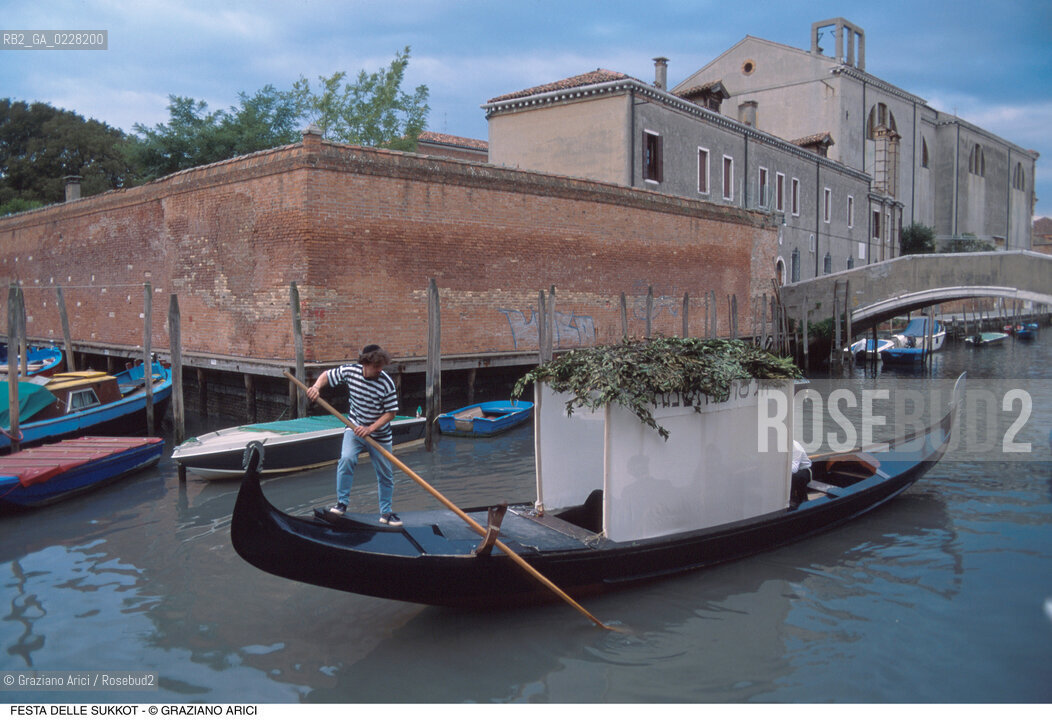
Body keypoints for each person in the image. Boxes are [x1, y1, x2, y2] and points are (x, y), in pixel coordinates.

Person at [306, 344, 402, 526]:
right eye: (376, 366)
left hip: (379, 435)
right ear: (365, 364)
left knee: (385, 474)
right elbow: (327, 375)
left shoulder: (386, 382)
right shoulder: (351, 372)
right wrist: (316, 387)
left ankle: (386, 513)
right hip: (354, 427)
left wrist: (371, 429)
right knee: (347, 459)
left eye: (381, 366)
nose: (380, 369)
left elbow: (391, 413)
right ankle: (341, 504)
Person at [790, 440, 812, 507]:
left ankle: (802, 501)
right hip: (788, 469)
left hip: (803, 470)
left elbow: (794, 469)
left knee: (797, 477)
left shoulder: (795, 447)